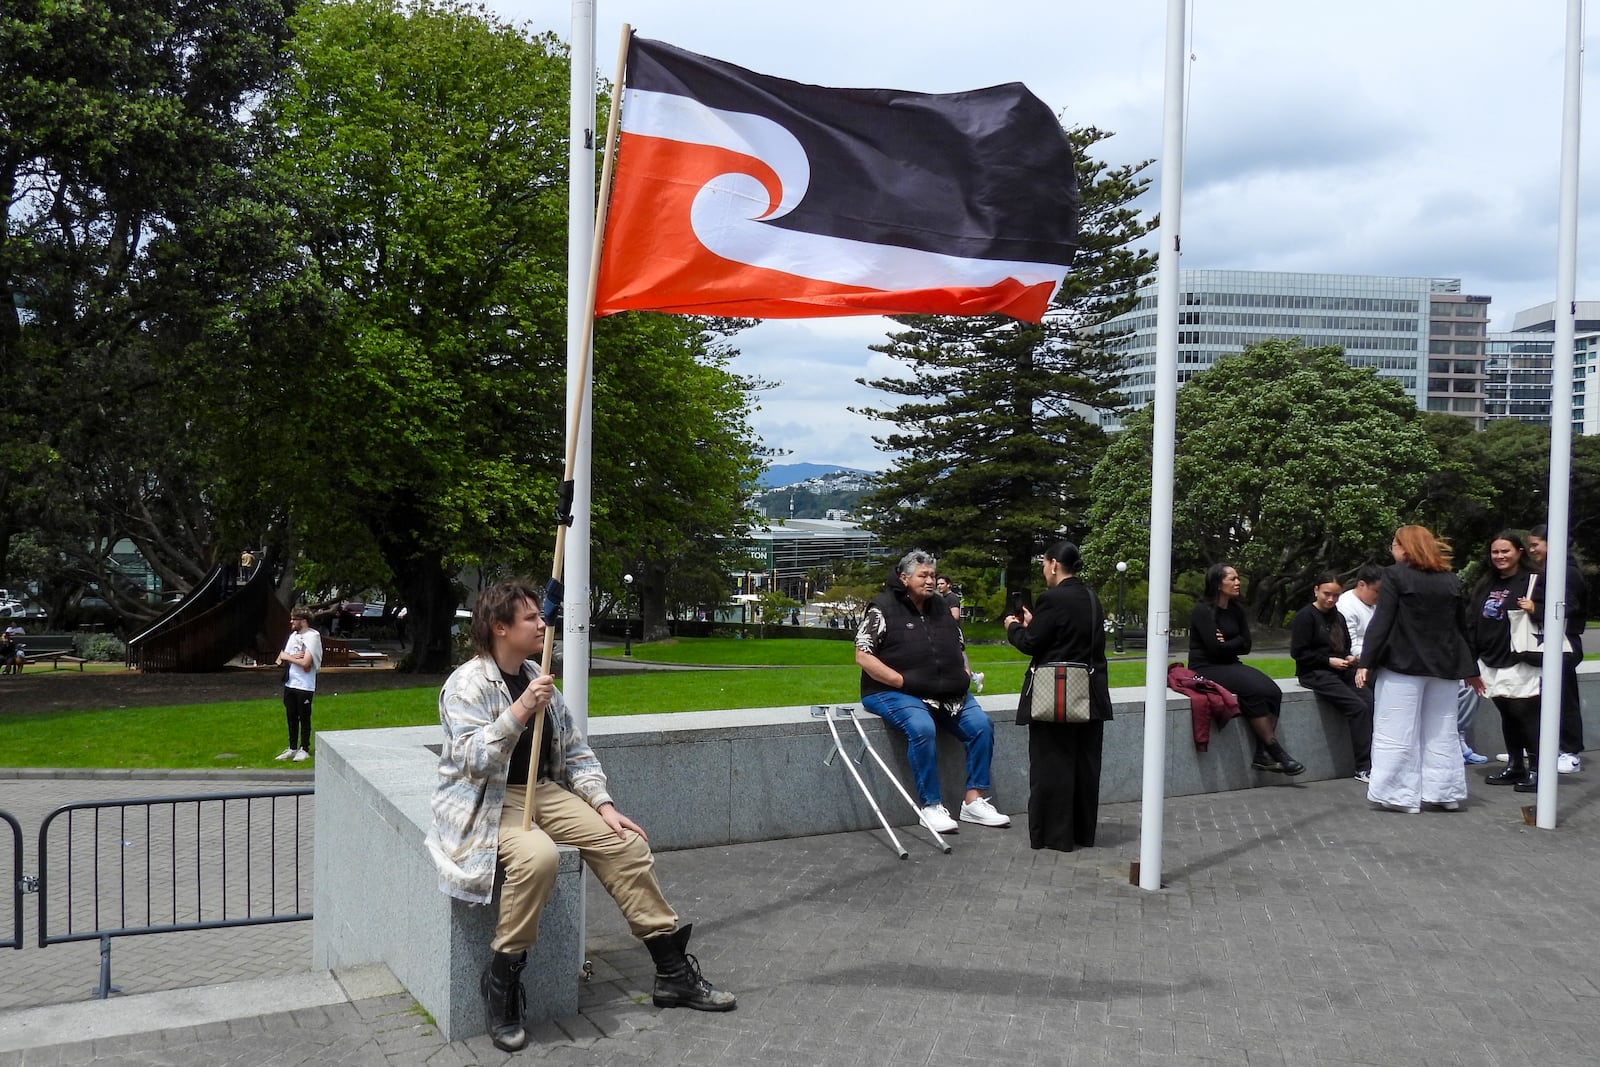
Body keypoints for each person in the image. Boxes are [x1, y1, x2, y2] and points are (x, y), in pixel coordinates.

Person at [425, 582, 735, 1053]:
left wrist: (604, 805)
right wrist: (523, 707)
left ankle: (671, 972)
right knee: (538, 858)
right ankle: (501, 981)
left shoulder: (538, 671)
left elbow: (574, 751)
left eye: (539, 615)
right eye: (530, 618)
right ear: (499, 627)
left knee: (626, 844)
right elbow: (472, 761)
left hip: (542, 790)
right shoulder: (466, 684)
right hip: (487, 799)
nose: (541, 623)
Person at [855, 549, 1009, 833]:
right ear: (904, 578)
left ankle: (974, 801)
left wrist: (964, 672)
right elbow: (863, 655)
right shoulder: (882, 608)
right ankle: (931, 806)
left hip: (948, 693)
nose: (930, 581)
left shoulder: (941, 608)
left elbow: (959, 646)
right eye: (923, 575)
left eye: (933, 575)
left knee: (981, 726)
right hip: (893, 692)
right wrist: (901, 681)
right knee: (922, 728)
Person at [1357, 525, 1483, 813]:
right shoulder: (1449, 579)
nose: (1392, 549)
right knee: (1442, 731)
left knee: (1395, 730)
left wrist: (1367, 662)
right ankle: (1444, 792)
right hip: (1444, 666)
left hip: (1403, 665)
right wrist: (1470, 669)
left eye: (1394, 544)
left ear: (1405, 547)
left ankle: (1398, 795)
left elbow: (1382, 622)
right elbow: (1460, 628)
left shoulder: (1394, 575)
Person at [1002, 540, 1113, 851]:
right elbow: (1070, 639)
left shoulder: (1051, 599)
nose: (1043, 570)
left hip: (1057, 695)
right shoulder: (1091, 598)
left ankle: (1054, 835)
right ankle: (1082, 832)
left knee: (1052, 763)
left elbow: (1032, 644)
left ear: (1053, 564)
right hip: (1090, 693)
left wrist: (1013, 628)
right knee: (1084, 765)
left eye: (1044, 564)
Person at [1188, 563, 1304, 776]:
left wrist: (1228, 642)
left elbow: (1247, 646)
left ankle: (1262, 754)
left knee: (1272, 691)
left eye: (1238, 578)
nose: (1238, 582)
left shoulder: (1236, 610)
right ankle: (1276, 751)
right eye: (1232, 579)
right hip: (1206, 667)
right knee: (1252, 690)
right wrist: (1235, 641)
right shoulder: (1202, 610)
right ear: (1217, 582)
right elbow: (1214, 650)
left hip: (1230, 663)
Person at [1468, 532, 1542, 793]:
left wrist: (1536, 608)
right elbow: (1474, 620)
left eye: (1505, 551)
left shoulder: (1534, 581)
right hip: (1490, 658)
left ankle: (1537, 769)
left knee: (1525, 714)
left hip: (1519, 658)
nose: (1499, 556)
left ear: (1519, 551)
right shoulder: (1486, 583)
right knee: (1507, 714)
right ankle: (1515, 765)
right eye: (1495, 552)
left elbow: (1565, 610)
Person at [1290, 573, 1373, 782]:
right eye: (1327, 594)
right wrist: (1328, 661)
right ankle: (1363, 767)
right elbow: (1299, 653)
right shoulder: (1305, 617)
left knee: (1370, 700)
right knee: (1357, 707)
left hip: (1340, 669)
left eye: (1336, 596)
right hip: (1314, 672)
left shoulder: (1338, 616)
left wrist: (1347, 658)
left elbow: (1344, 645)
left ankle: (1374, 760)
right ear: (1316, 590)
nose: (1331, 600)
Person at [1527, 524, 1585, 773]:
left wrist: (1535, 609)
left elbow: (1568, 606)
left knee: (1564, 696)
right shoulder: (1551, 569)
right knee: (1543, 695)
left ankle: (1570, 751)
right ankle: (1544, 747)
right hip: (1548, 641)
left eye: (1535, 545)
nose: (1532, 550)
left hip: (1563, 642)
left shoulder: (1565, 572)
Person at [274, 607, 323, 761]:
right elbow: (279, 660)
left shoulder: (312, 637)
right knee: (291, 716)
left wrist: (289, 657)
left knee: (304, 716)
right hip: (290, 684)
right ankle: (292, 747)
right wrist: (291, 657)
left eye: (294, 619)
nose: (291, 622)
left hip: (304, 685)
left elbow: (306, 664)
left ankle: (304, 748)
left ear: (303, 621)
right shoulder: (293, 637)